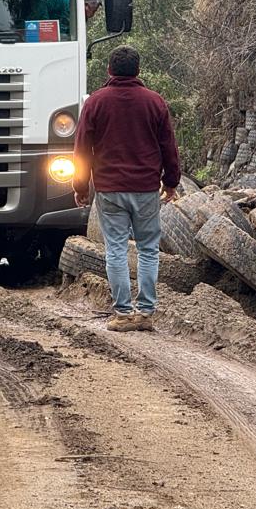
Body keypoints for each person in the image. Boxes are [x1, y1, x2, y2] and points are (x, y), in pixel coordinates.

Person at [73, 45, 181, 331]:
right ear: (138, 71)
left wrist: (80, 186)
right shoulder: (154, 102)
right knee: (148, 249)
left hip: (109, 189)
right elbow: (168, 146)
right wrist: (171, 182)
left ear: (109, 70)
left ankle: (122, 313)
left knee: (116, 250)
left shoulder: (95, 102)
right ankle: (145, 312)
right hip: (145, 188)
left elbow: (82, 148)